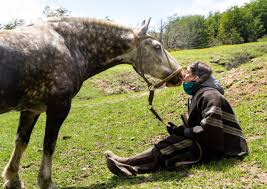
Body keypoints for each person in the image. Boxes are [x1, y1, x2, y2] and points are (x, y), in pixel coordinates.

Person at [105, 62, 249, 177]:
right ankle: (132, 169)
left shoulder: (210, 95)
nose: (184, 76)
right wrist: (179, 130)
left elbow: (209, 129)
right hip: (208, 141)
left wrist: (184, 132)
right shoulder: (199, 94)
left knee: (171, 144)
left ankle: (126, 162)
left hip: (224, 146)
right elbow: (200, 126)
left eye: (187, 73)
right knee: (173, 148)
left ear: (197, 78)